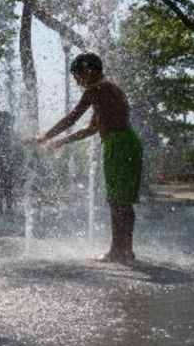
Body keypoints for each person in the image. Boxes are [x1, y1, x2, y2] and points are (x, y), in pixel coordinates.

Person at [34, 53, 143, 263]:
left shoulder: (96, 89)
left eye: (77, 76)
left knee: (116, 201)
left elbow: (72, 118)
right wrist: (60, 142)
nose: (77, 83)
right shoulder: (110, 89)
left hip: (118, 145)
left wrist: (44, 136)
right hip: (129, 143)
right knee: (124, 201)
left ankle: (115, 251)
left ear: (88, 70)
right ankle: (126, 250)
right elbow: (91, 129)